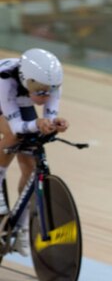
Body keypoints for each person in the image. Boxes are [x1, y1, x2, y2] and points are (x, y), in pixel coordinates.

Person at [0, 49, 69, 255]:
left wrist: (54, 123)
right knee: (13, 137)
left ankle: (19, 227)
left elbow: (48, 117)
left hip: (19, 101)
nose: (46, 96)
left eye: (50, 90)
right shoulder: (6, 80)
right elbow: (17, 127)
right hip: (3, 98)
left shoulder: (49, 83)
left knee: (31, 169)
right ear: (26, 79)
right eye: (40, 91)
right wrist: (37, 123)